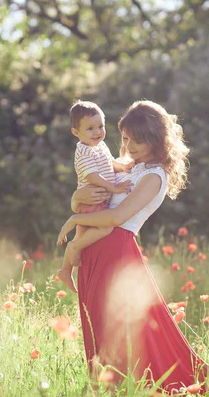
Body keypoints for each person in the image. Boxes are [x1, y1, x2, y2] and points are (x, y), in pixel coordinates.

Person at [57, 100, 209, 393]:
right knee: (97, 323)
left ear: (157, 140)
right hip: (96, 246)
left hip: (116, 250)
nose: (130, 145)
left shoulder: (153, 176)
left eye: (138, 140)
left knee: (117, 327)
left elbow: (116, 216)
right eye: (125, 138)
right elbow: (87, 195)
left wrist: (74, 218)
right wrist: (76, 202)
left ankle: (130, 387)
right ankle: (107, 387)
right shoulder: (131, 165)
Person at [58, 100, 134, 293]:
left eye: (100, 126)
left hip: (99, 200)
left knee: (83, 234)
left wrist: (122, 167)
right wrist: (114, 187)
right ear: (76, 133)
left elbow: (109, 164)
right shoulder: (83, 151)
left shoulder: (100, 147)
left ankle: (65, 271)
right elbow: (92, 175)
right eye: (90, 128)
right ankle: (74, 248)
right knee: (105, 227)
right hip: (92, 200)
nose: (97, 132)